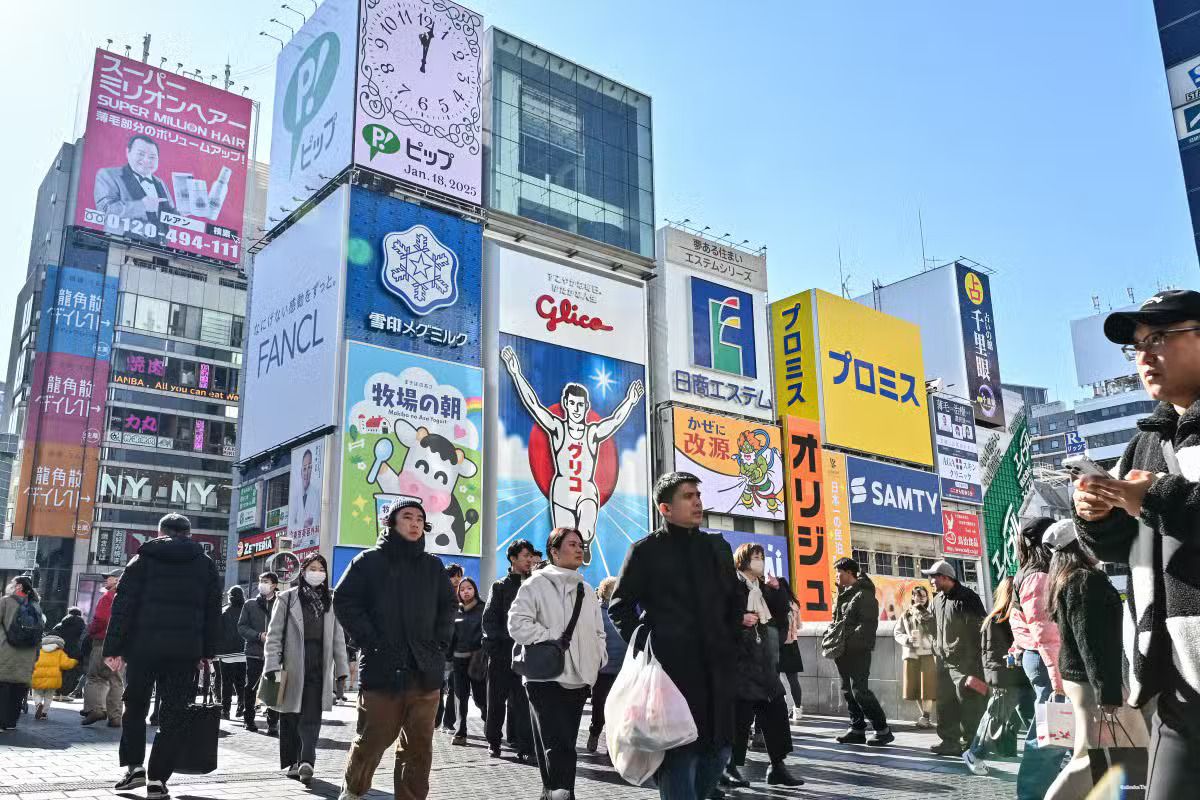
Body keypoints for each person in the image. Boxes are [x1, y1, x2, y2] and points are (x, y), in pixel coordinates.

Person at [1072, 290, 1200, 799]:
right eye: (1138, 345)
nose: (1145, 355)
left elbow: (1160, 505)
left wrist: (1155, 496)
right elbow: (1120, 546)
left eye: (1162, 338)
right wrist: (1097, 515)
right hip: (1176, 687)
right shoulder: (1145, 440)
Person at [609, 472, 743, 800]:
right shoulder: (644, 551)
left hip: (718, 674)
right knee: (679, 759)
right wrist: (650, 644)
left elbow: (734, 600)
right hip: (673, 677)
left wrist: (731, 642)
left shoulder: (717, 547)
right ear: (665, 508)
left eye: (698, 494)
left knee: (719, 754)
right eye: (688, 496)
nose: (697, 501)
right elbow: (619, 606)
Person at [333, 499, 455, 800]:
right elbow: (344, 601)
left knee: (419, 746)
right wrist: (370, 640)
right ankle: (354, 788)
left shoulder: (433, 566)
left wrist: (439, 644)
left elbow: (448, 606)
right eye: (407, 517)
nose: (415, 523)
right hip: (382, 667)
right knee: (373, 739)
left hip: (425, 670)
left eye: (419, 519)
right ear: (391, 522)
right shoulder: (368, 561)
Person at [105, 513, 221, 800]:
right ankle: (158, 778)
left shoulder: (141, 560)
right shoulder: (205, 565)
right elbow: (212, 612)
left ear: (159, 532)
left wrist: (113, 649)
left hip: (143, 648)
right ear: (189, 534)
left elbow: (123, 607)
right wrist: (207, 652)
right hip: (184, 652)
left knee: (135, 705)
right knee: (174, 713)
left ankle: (135, 768)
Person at [501, 345, 645, 566]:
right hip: (561, 489)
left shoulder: (593, 432)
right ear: (566, 405)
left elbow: (615, 420)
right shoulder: (558, 428)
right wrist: (515, 372)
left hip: (586, 488)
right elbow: (533, 405)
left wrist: (631, 401)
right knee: (563, 539)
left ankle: (585, 544)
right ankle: (566, 563)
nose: (576, 408)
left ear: (586, 407)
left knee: (585, 531)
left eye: (581, 405)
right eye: (572, 404)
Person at [1043, 522, 1148, 800]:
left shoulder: (1068, 578)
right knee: (1108, 754)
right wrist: (1108, 692)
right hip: (1094, 681)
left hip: (1083, 679)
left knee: (1091, 753)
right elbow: (1091, 639)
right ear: (1081, 545)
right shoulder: (1084, 580)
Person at [509, 527, 608, 800]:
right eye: (572, 544)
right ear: (554, 551)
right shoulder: (535, 584)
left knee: (559, 745)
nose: (579, 549)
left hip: (579, 676)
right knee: (558, 744)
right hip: (544, 677)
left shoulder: (586, 589)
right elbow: (516, 625)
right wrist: (552, 639)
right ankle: (563, 794)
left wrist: (599, 655)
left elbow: (598, 631)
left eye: (581, 545)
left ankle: (554, 794)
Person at [264, 553, 350, 787]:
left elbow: (338, 639)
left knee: (312, 716)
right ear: (303, 571)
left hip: (318, 666)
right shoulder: (287, 598)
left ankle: (307, 761)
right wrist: (272, 665)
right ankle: (292, 761)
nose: (317, 572)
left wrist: (342, 669)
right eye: (312, 567)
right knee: (290, 715)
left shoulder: (330, 601)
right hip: (291, 665)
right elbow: (274, 637)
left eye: (321, 568)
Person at [724, 544, 803, 789]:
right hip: (740, 664)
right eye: (755, 557)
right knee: (740, 718)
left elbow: (781, 617)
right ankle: (730, 767)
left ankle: (777, 766)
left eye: (761, 557)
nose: (760, 561)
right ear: (743, 560)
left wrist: (778, 592)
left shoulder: (764, 589)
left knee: (777, 711)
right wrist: (739, 619)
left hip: (765, 662)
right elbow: (716, 615)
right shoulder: (730, 585)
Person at [1010, 517, 1069, 799]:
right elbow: (1045, 631)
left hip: (1043, 658)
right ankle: (1032, 793)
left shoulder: (1028, 572)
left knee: (1055, 732)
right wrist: (1058, 679)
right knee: (1049, 736)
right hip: (1049, 661)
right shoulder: (1037, 575)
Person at [963, 577, 1032, 776]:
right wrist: (999, 680)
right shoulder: (996, 620)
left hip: (1022, 677)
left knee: (1033, 717)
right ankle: (974, 754)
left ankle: (1053, 754)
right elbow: (992, 654)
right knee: (996, 718)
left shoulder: (1017, 616)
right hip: (1008, 679)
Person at [923, 559, 987, 757]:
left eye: (933, 577)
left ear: (945, 577)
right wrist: (927, 625)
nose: (931, 581)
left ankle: (971, 743)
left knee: (968, 703)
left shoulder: (968, 598)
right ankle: (949, 741)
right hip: (942, 660)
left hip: (964, 663)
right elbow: (933, 628)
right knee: (945, 703)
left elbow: (980, 629)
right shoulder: (936, 600)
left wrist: (973, 659)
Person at [829, 557, 894, 747]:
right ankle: (857, 729)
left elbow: (866, 626)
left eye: (839, 572)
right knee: (847, 691)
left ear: (849, 573)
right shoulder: (844, 594)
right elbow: (838, 622)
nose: (837, 576)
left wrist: (848, 642)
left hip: (857, 650)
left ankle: (882, 729)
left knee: (859, 691)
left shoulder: (864, 595)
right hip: (842, 649)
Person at [482, 538, 537, 760]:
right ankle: (494, 743)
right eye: (525, 556)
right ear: (513, 559)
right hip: (502, 655)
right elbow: (489, 621)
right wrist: (496, 647)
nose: (530, 561)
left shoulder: (535, 585)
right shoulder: (500, 586)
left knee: (524, 703)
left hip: (526, 655)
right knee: (496, 702)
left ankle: (525, 747)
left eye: (531, 556)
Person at [93, 134, 177, 243]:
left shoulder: (161, 183)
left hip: (160, 249)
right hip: (120, 243)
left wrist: (183, 213)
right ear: (128, 152)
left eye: (152, 157)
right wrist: (142, 205)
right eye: (141, 154)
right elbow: (105, 209)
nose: (146, 160)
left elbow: (169, 216)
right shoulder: (108, 175)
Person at [585, 576, 627, 754]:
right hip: (603, 670)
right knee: (599, 706)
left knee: (618, 709)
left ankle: (612, 744)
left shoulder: (625, 611)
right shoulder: (596, 613)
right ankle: (595, 732)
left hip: (622, 671)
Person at [0, 576, 44, 731]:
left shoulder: (5, 602)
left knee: (3, 686)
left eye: (12, 583)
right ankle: (11, 722)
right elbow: (40, 631)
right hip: (28, 654)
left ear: (18, 586)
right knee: (19, 688)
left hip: (6, 651)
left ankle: (1, 722)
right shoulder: (36, 606)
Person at [239, 571, 280, 734]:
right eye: (261, 581)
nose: (263, 584)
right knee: (251, 687)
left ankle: (272, 723)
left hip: (275, 653)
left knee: (273, 687)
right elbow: (241, 626)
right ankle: (248, 720)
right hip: (254, 653)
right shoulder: (249, 604)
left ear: (275, 585)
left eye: (266, 581)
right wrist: (258, 636)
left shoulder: (281, 603)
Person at [448, 577, 486, 746]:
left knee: (480, 698)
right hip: (459, 661)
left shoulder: (483, 609)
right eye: (462, 589)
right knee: (460, 697)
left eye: (469, 588)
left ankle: (490, 724)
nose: (465, 591)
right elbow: (451, 636)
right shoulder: (456, 611)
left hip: (477, 662)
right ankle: (460, 732)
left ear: (475, 590)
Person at [82, 569, 123, 726]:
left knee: (95, 677)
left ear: (117, 580)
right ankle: (116, 717)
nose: (106, 580)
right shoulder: (132, 597)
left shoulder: (108, 597)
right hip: (120, 645)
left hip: (103, 642)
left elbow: (100, 619)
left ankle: (97, 709)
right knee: (116, 680)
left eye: (109, 578)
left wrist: (91, 631)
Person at [893, 584, 937, 729]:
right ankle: (925, 717)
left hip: (927, 653)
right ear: (913, 597)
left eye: (923, 595)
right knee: (915, 687)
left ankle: (926, 717)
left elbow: (937, 631)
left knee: (928, 687)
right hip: (911, 654)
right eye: (917, 595)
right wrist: (907, 639)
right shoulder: (906, 613)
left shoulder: (931, 612)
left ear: (927, 597)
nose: (920, 598)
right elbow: (897, 632)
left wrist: (928, 640)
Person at [437, 563, 465, 733]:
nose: (456, 580)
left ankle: (449, 722)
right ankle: (436, 720)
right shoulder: (439, 598)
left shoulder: (465, 598)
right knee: (438, 687)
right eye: (453, 575)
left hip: (458, 651)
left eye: (459, 576)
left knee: (455, 688)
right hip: (441, 650)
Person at [774, 577, 804, 723]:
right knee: (793, 680)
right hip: (792, 645)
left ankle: (783, 707)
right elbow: (799, 626)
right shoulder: (795, 604)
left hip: (777, 645)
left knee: (776, 679)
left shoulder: (775, 603)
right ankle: (797, 710)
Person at [215, 586, 247, 720]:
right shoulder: (246, 611)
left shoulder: (224, 612)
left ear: (230, 597)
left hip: (226, 654)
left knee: (226, 682)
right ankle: (241, 705)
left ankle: (226, 710)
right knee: (241, 682)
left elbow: (218, 633)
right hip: (243, 653)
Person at [30, 632, 77, 720]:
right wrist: (75, 661)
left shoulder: (39, 650)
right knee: (49, 696)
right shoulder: (59, 652)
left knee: (36, 692)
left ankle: (38, 704)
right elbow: (66, 664)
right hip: (53, 678)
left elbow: (32, 661)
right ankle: (44, 713)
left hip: (38, 676)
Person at [51, 607, 88, 698]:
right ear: (80, 615)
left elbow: (52, 636)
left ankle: (56, 692)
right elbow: (85, 639)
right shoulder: (83, 626)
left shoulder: (61, 624)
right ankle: (64, 694)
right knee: (71, 673)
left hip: (60, 651)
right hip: (75, 652)